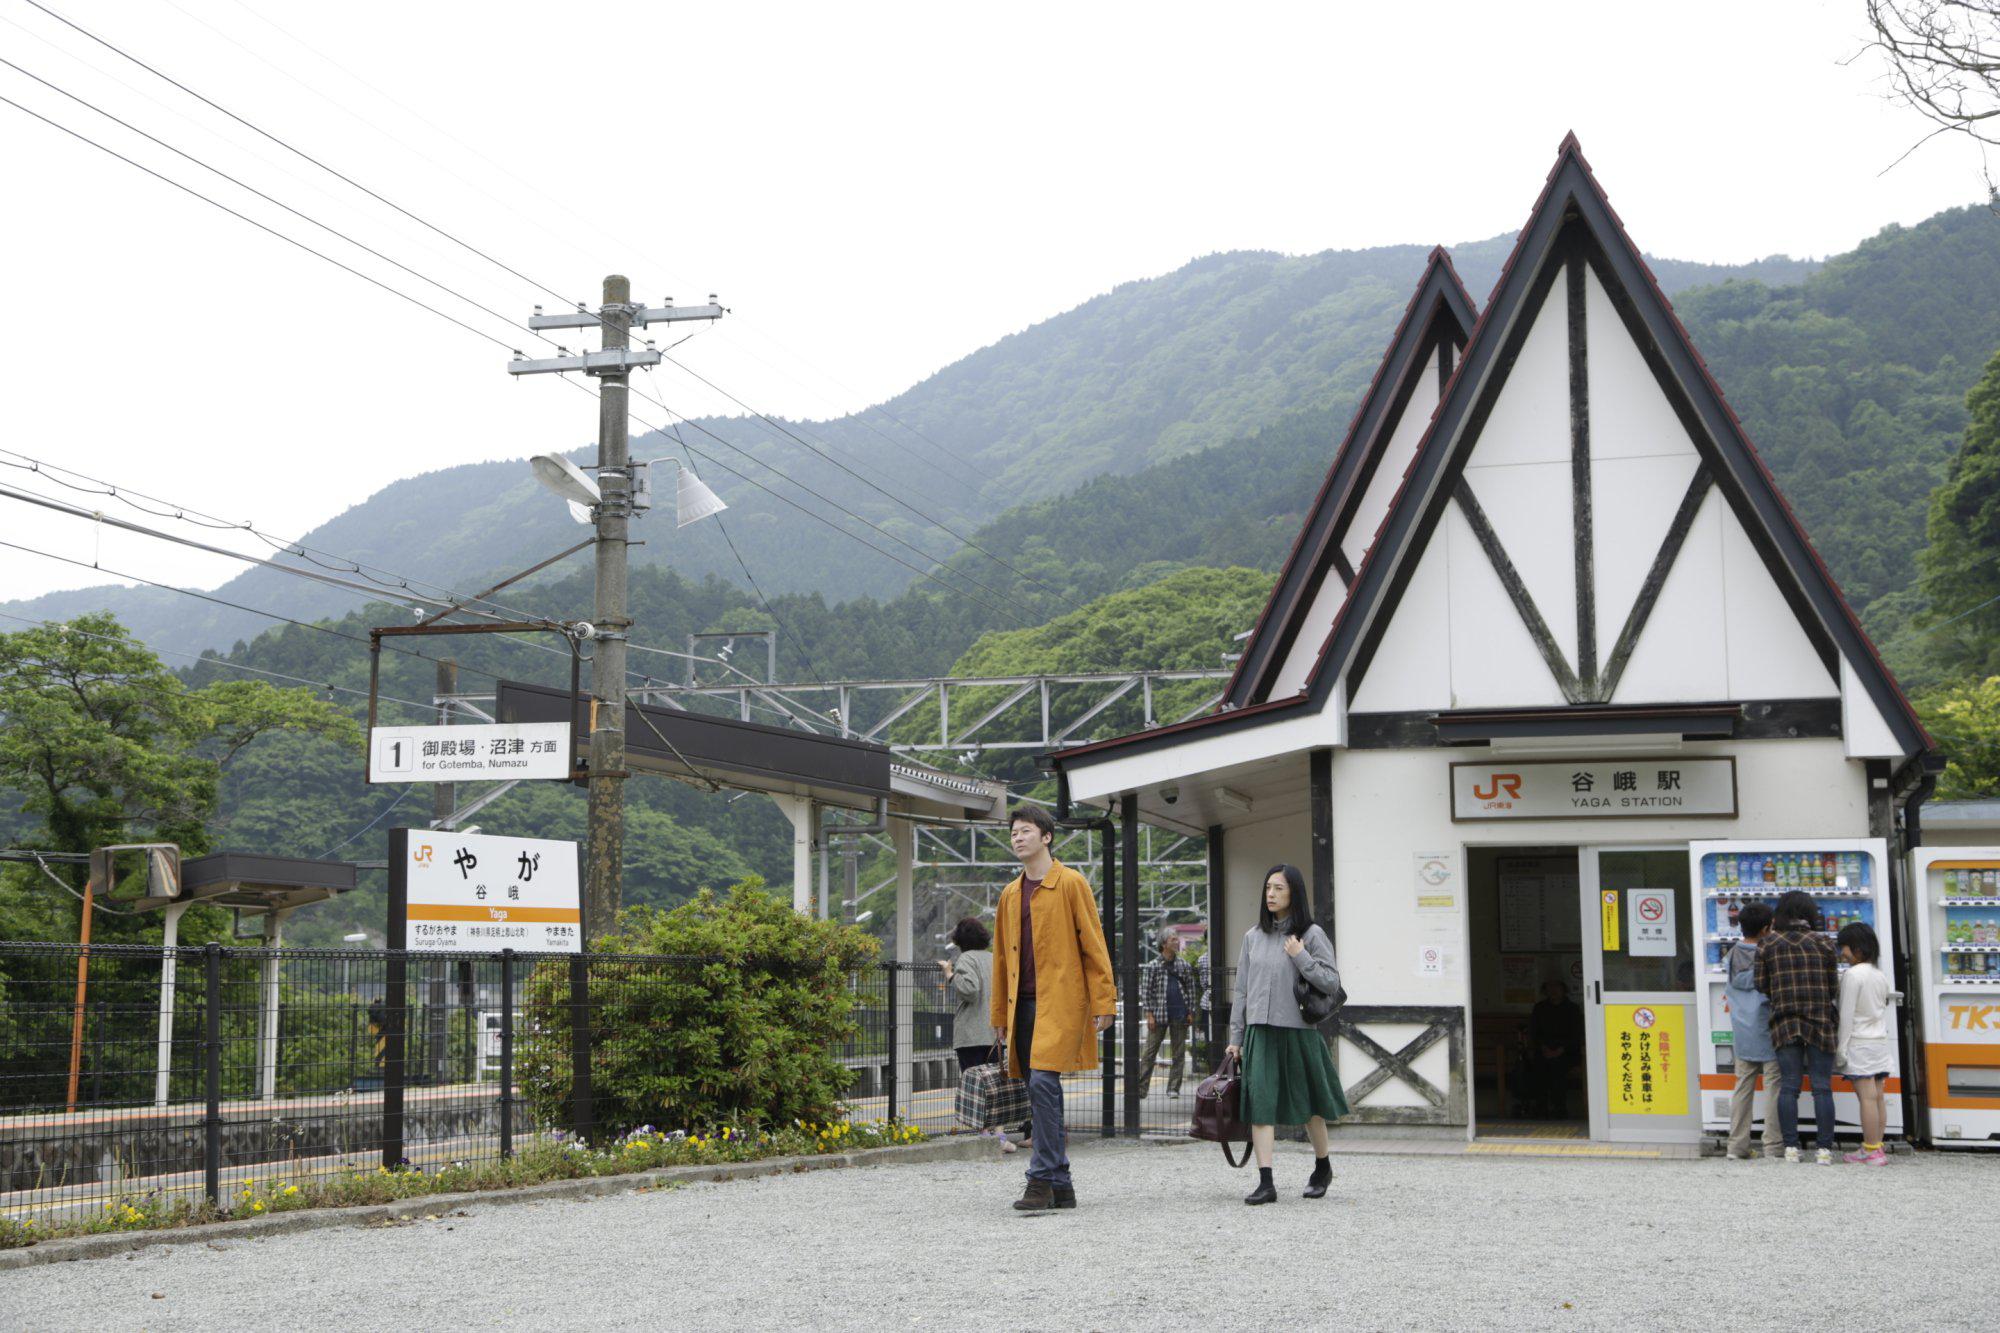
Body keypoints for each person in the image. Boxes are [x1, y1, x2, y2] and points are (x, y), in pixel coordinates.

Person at [989, 805, 1116, 1213]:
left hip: (1060, 1003)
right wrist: (998, 1016)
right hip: (1021, 1007)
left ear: (1046, 837)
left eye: (1026, 831)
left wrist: (1104, 1000)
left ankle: (1040, 1178)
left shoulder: (1071, 883)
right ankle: (1062, 1185)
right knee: (1040, 1090)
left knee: (1043, 1083)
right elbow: (1001, 960)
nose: (1018, 838)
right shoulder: (1010, 894)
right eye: (1014, 832)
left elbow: (1093, 944)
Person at [1225, 864, 1348, 1205]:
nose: (1271, 894)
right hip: (1259, 1034)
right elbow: (1242, 991)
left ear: (1294, 892)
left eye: (1279, 888)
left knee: (1310, 1107)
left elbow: (1331, 983)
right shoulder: (1252, 937)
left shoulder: (1311, 934)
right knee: (1261, 1105)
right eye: (1268, 887)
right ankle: (1266, 1183)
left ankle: (1322, 1167)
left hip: (1299, 1032)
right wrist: (1236, 1037)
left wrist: (1301, 956)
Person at [1755, 889, 1840, 1164]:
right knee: (1822, 1087)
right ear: (1809, 913)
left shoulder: (1767, 944)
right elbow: (1833, 987)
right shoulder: (1824, 943)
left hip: (1784, 1021)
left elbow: (1761, 984)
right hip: (1820, 1021)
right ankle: (1824, 1149)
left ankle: (1791, 1147)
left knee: (1789, 1086)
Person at [942, 916, 1017, 1155]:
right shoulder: (993, 958)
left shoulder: (966, 958)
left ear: (960, 939)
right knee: (996, 1086)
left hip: (971, 1034)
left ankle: (984, 1136)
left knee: (976, 1087)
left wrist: (950, 974)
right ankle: (1000, 1135)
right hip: (995, 1032)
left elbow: (970, 990)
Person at [1725, 901, 1781, 1160]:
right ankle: (1773, 1145)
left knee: (1742, 1087)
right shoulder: (1770, 953)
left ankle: (1736, 1146)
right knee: (1773, 1087)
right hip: (1769, 1028)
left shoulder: (1732, 954)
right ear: (1766, 929)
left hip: (1742, 1029)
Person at [1836, 921, 1894, 1166]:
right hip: (1879, 1041)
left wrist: (1841, 1049)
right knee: (1878, 1096)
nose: (1842, 953)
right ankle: (1876, 1146)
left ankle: (1870, 1150)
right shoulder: (1879, 974)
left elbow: (1846, 1015)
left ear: (1857, 949)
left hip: (1859, 1042)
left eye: (1844, 947)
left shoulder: (1852, 975)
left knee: (1867, 1098)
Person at [1137, 927, 1197, 1096]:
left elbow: (1191, 989)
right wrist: (1149, 1014)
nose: (1177, 942)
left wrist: (1191, 1011)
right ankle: (1141, 1088)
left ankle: (1173, 1088)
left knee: (1178, 1054)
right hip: (1159, 1014)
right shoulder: (1153, 966)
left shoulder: (1184, 965)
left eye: (1176, 939)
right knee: (1149, 1053)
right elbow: (1146, 992)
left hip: (1180, 1013)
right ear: (1164, 944)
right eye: (1173, 939)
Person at [1526, 979, 1583, 1117]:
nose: (1553, 990)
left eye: (1557, 987)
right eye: (1549, 987)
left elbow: (1576, 1035)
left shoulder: (1573, 1009)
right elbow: (1534, 1032)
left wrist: (1561, 1050)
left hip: (1567, 1052)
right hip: (1544, 1050)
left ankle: (1559, 1108)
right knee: (1538, 1065)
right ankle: (1541, 1107)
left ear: (1563, 989)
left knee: (1558, 1067)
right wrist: (1543, 1047)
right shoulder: (1540, 1008)